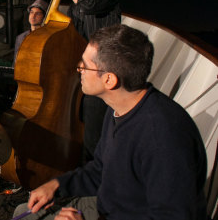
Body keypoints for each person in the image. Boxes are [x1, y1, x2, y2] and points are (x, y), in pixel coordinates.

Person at [12, 24, 207, 220]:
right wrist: (57, 184)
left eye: (84, 65)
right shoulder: (117, 107)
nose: (78, 68)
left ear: (109, 80)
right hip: (108, 207)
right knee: (22, 213)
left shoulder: (162, 137)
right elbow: (101, 170)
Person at [56, 0, 121, 163]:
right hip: (85, 73)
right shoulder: (79, 2)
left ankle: (98, 182)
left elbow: (89, 4)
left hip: (104, 71)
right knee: (85, 129)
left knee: (96, 131)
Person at [13, 0, 48, 64]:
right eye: (31, 12)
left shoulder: (47, 38)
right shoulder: (20, 38)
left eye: (37, 13)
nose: (33, 16)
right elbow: (16, 63)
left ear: (44, 17)